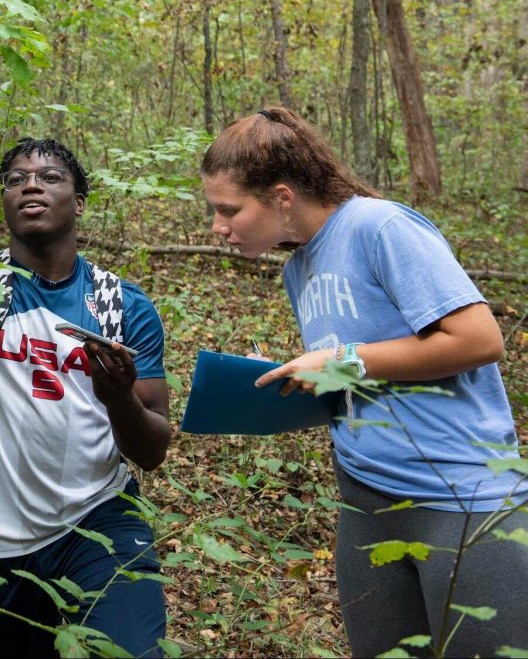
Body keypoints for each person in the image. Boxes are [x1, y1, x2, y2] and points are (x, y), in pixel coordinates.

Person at [201, 105, 528, 658]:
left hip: (460, 496)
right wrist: (283, 379)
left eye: (228, 209)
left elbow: (478, 339)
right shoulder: (298, 267)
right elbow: (369, 366)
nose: (217, 227)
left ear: (282, 196)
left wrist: (338, 363)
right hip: (366, 495)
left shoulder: (380, 226)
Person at [0, 137, 171, 657]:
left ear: (79, 201)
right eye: (17, 178)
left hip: (100, 519)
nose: (31, 184)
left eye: (50, 177)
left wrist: (118, 399)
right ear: (3, 201)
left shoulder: (122, 304)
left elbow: (153, 448)